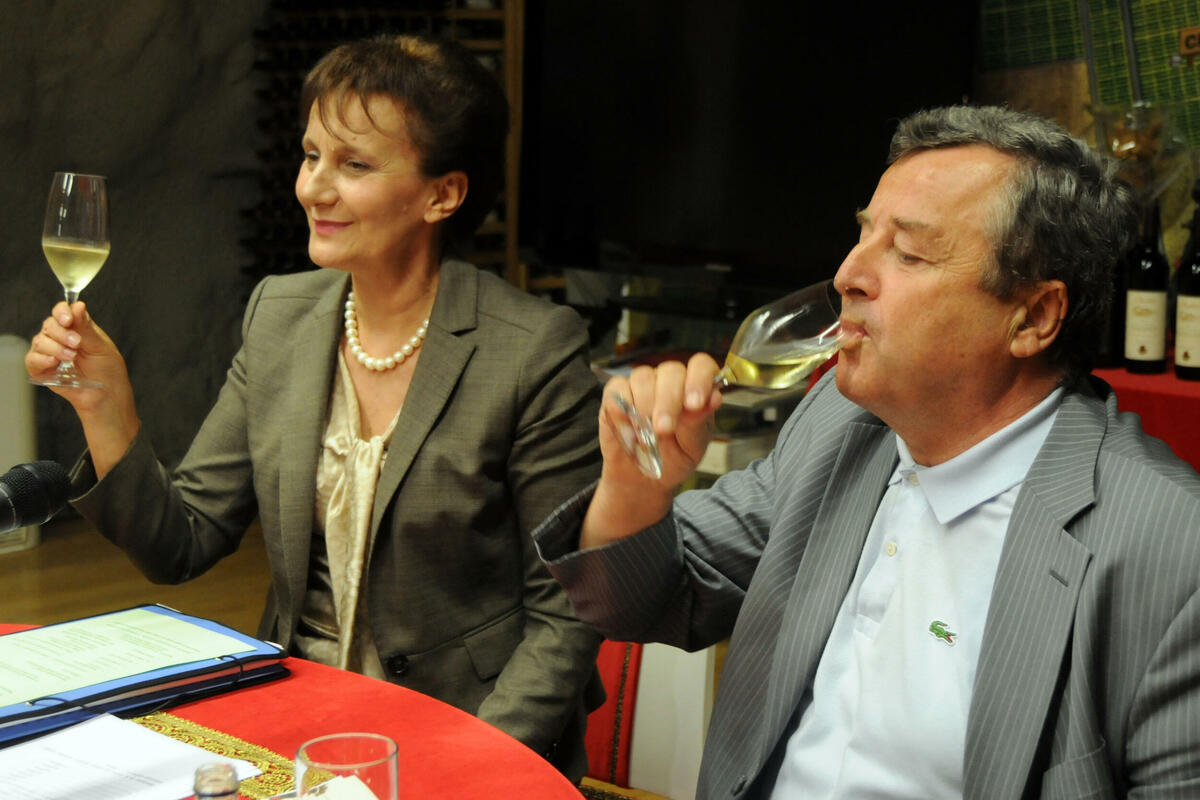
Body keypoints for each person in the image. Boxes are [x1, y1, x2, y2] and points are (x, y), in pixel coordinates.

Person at [533, 105, 1200, 798]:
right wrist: (637, 486)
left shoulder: (1171, 549)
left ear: (1033, 316)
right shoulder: (841, 422)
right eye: (862, 236)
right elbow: (637, 598)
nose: (848, 274)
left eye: (907, 253)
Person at [27, 34, 603, 780]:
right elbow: (182, 544)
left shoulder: (532, 348)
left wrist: (465, 769)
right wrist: (106, 408)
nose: (312, 188)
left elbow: (565, 616)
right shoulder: (281, 315)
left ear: (443, 194)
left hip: (467, 737)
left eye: (353, 164)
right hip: (300, 730)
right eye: (310, 155)